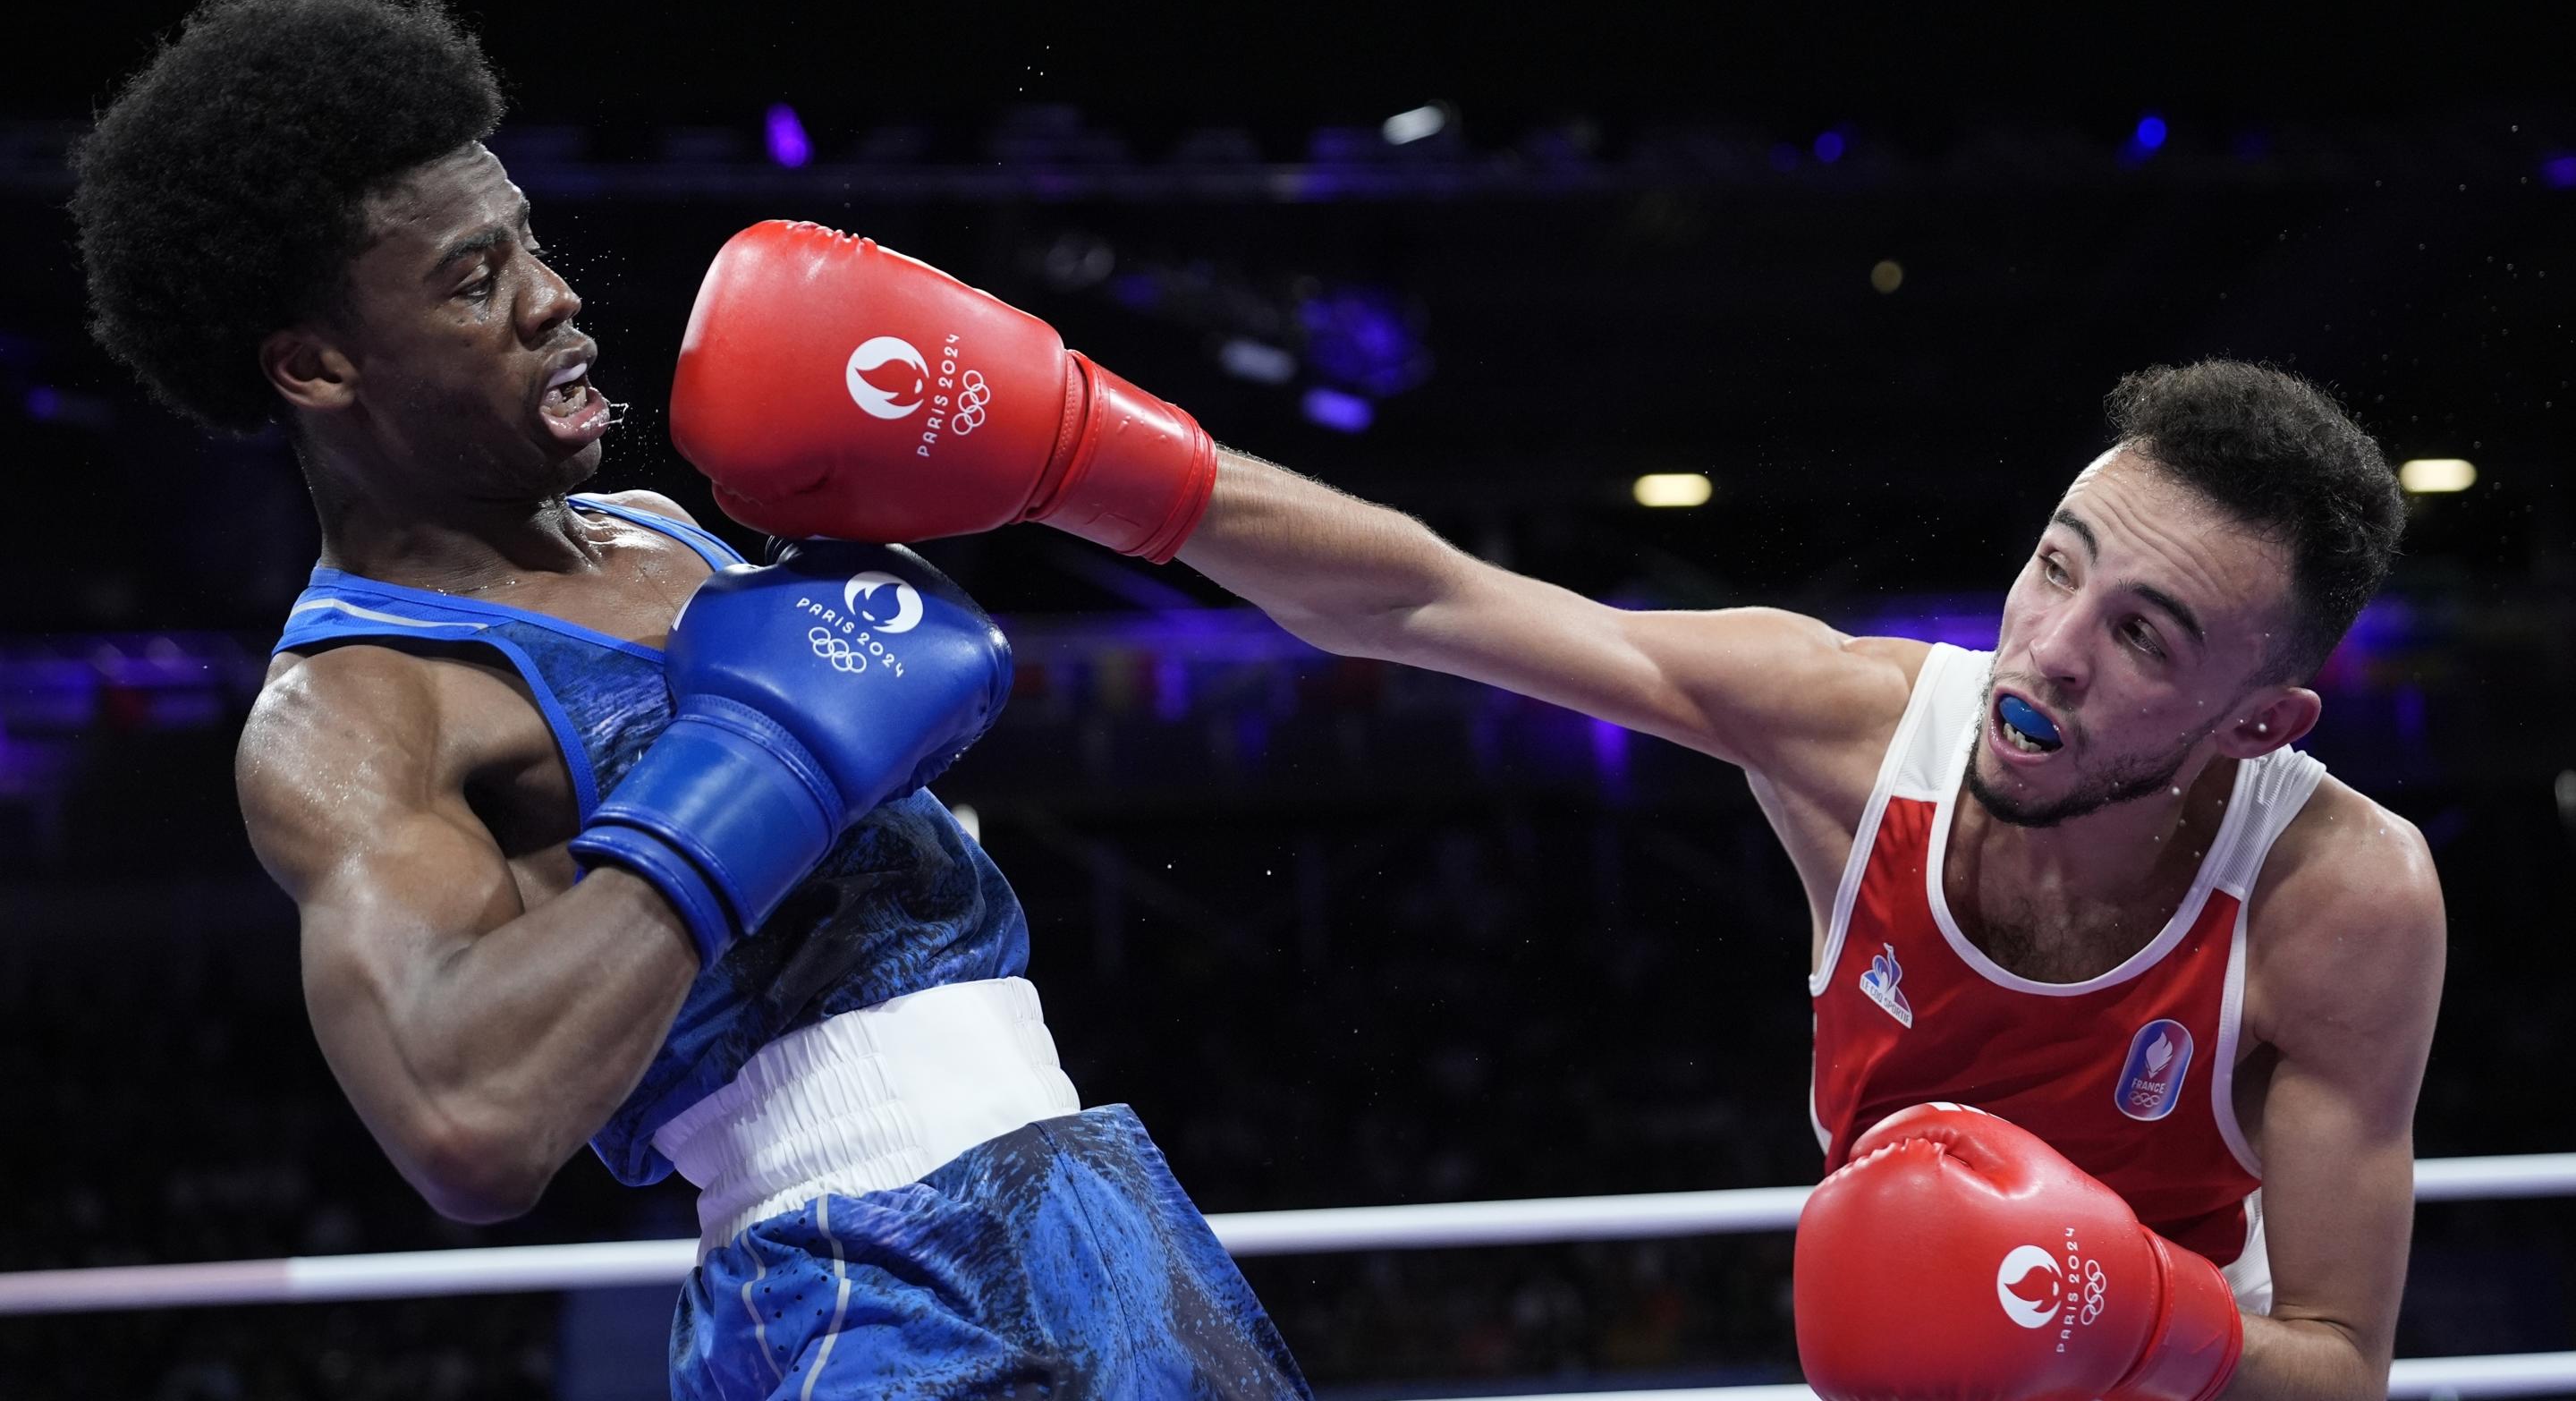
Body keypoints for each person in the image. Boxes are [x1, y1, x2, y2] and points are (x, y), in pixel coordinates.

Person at [673, 222, 2445, 1401]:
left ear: (2260, 718)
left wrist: (2118, 1310)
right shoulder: (1856, 730)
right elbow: (1436, 601)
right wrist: (1084, 455)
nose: (2050, 647)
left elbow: (2340, 1364)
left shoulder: (2340, 895)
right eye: (2057, 566)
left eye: (2146, 636)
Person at [70, 0, 1308, 1401]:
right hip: (857, 1274)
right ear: (316, 365)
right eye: (475, 281)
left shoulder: (664, 527)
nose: (554, 296)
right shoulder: (357, 706)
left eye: (527, 242)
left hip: (1086, 1190)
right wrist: (757, 768)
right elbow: (463, 1121)